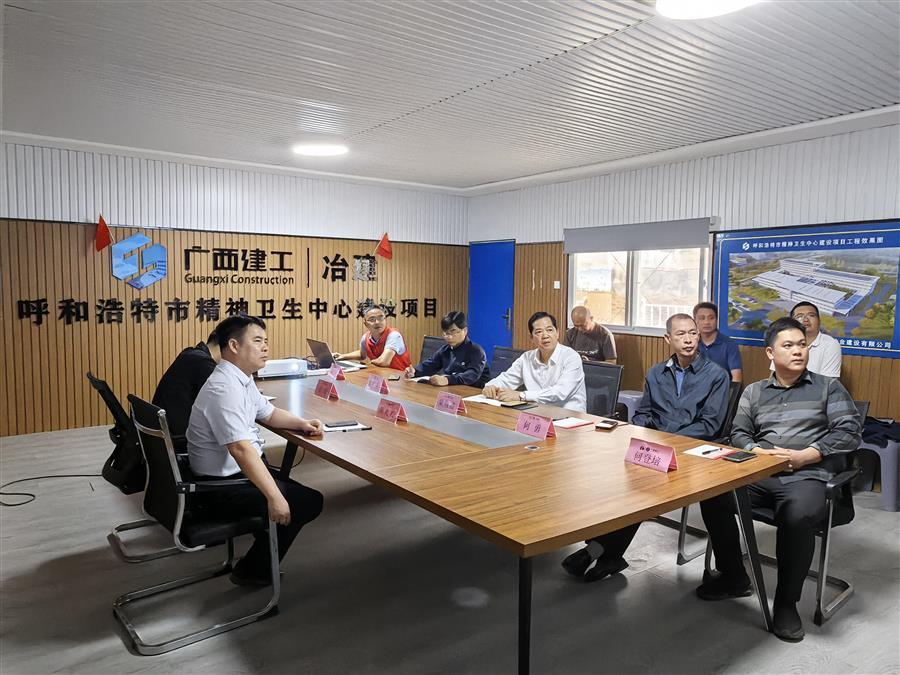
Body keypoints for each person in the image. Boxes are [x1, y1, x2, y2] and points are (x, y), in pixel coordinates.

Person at [697, 317, 861, 642]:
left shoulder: (828, 387)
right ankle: (734, 577)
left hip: (807, 475)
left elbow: (850, 431)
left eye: (802, 345)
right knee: (712, 495)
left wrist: (807, 454)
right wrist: (757, 451)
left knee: (796, 515)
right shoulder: (754, 391)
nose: (798, 351)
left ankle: (787, 603)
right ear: (770, 353)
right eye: (788, 345)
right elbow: (738, 432)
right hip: (760, 473)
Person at [561, 313, 730, 582]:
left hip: (692, 454)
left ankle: (597, 550)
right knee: (615, 479)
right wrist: (638, 435)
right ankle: (605, 554)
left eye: (693, 333)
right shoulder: (656, 373)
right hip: (657, 451)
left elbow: (710, 425)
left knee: (641, 489)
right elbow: (644, 414)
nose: (688, 339)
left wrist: (665, 442)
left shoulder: (716, 375)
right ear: (668, 339)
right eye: (681, 334)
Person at [187, 315, 324, 587]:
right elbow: (240, 449)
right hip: (219, 488)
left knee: (299, 495)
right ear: (234, 345)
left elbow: (268, 412)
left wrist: (302, 423)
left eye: (266, 341)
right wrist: (274, 497)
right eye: (258, 341)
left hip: (231, 476)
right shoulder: (224, 388)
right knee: (306, 501)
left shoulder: (240, 378)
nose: (265, 347)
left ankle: (261, 552)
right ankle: (253, 570)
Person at [483, 311, 586, 412]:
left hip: (570, 417)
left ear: (557, 333)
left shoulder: (571, 357)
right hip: (537, 414)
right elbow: (507, 379)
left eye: (549, 330)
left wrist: (521, 396)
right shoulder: (526, 358)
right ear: (531, 338)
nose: (545, 335)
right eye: (539, 332)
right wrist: (491, 386)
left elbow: (560, 392)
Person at [152, 330, 221, 439]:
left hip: (164, 429)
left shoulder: (191, 353)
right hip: (179, 437)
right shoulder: (204, 364)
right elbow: (222, 405)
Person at [404, 310, 490, 386]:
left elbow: (472, 375)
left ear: (465, 331)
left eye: (453, 332)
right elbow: (430, 365)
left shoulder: (476, 351)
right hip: (452, 390)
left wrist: (447, 380)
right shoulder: (445, 350)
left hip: (475, 393)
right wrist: (414, 371)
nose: (449, 337)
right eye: (446, 333)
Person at [333, 304, 411, 371]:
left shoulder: (394, 335)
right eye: (372, 319)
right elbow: (362, 354)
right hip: (380, 377)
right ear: (365, 324)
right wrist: (342, 356)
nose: (377, 322)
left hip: (400, 378)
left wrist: (368, 364)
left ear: (385, 319)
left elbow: (383, 362)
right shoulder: (365, 337)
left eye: (380, 318)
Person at [789, 301, 842, 378]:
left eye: (811, 315)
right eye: (799, 316)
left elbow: (827, 383)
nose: (805, 319)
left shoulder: (830, 344)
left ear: (819, 321)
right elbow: (775, 377)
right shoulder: (784, 343)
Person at [693, 302, 742, 382]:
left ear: (716, 320)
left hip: (721, 388)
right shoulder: (691, 343)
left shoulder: (729, 344)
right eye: (702, 318)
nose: (706, 322)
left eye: (711, 318)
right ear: (695, 321)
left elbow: (737, 378)